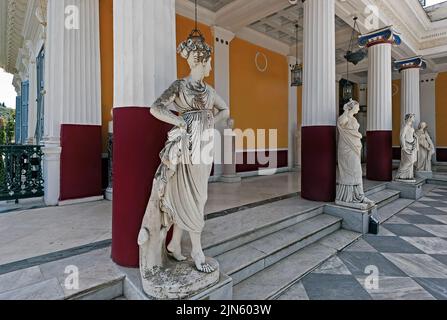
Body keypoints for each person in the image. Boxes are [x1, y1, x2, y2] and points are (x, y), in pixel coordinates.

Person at [138, 34, 229, 275]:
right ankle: (197, 252)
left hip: (204, 144)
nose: (210, 66)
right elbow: (156, 107)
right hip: (187, 143)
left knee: (196, 196)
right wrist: (178, 122)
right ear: (201, 61)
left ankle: (175, 243)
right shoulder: (180, 86)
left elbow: (225, 109)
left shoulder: (209, 90)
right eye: (209, 62)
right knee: (191, 197)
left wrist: (209, 121)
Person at [336, 99, 374, 207]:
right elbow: (340, 122)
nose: (358, 108)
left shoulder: (353, 119)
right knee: (351, 171)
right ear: (351, 107)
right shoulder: (345, 118)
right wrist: (345, 111)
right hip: (346, 148)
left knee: (357, 171)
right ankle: (347, 197)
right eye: (357, 106)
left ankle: (359, 195)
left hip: (354, 147)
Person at [395, 114, 418, 181]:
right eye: (413, 117)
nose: (414, 119)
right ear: (409, 118)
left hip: (412, 145)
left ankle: (408, 176)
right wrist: (404, 146)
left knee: (412, 161)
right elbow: (402, 136)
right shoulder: (405, 126)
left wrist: (416, 137)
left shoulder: (411, 126)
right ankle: (399, 174)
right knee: (409, 161)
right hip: (407, 146)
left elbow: (412, 135)